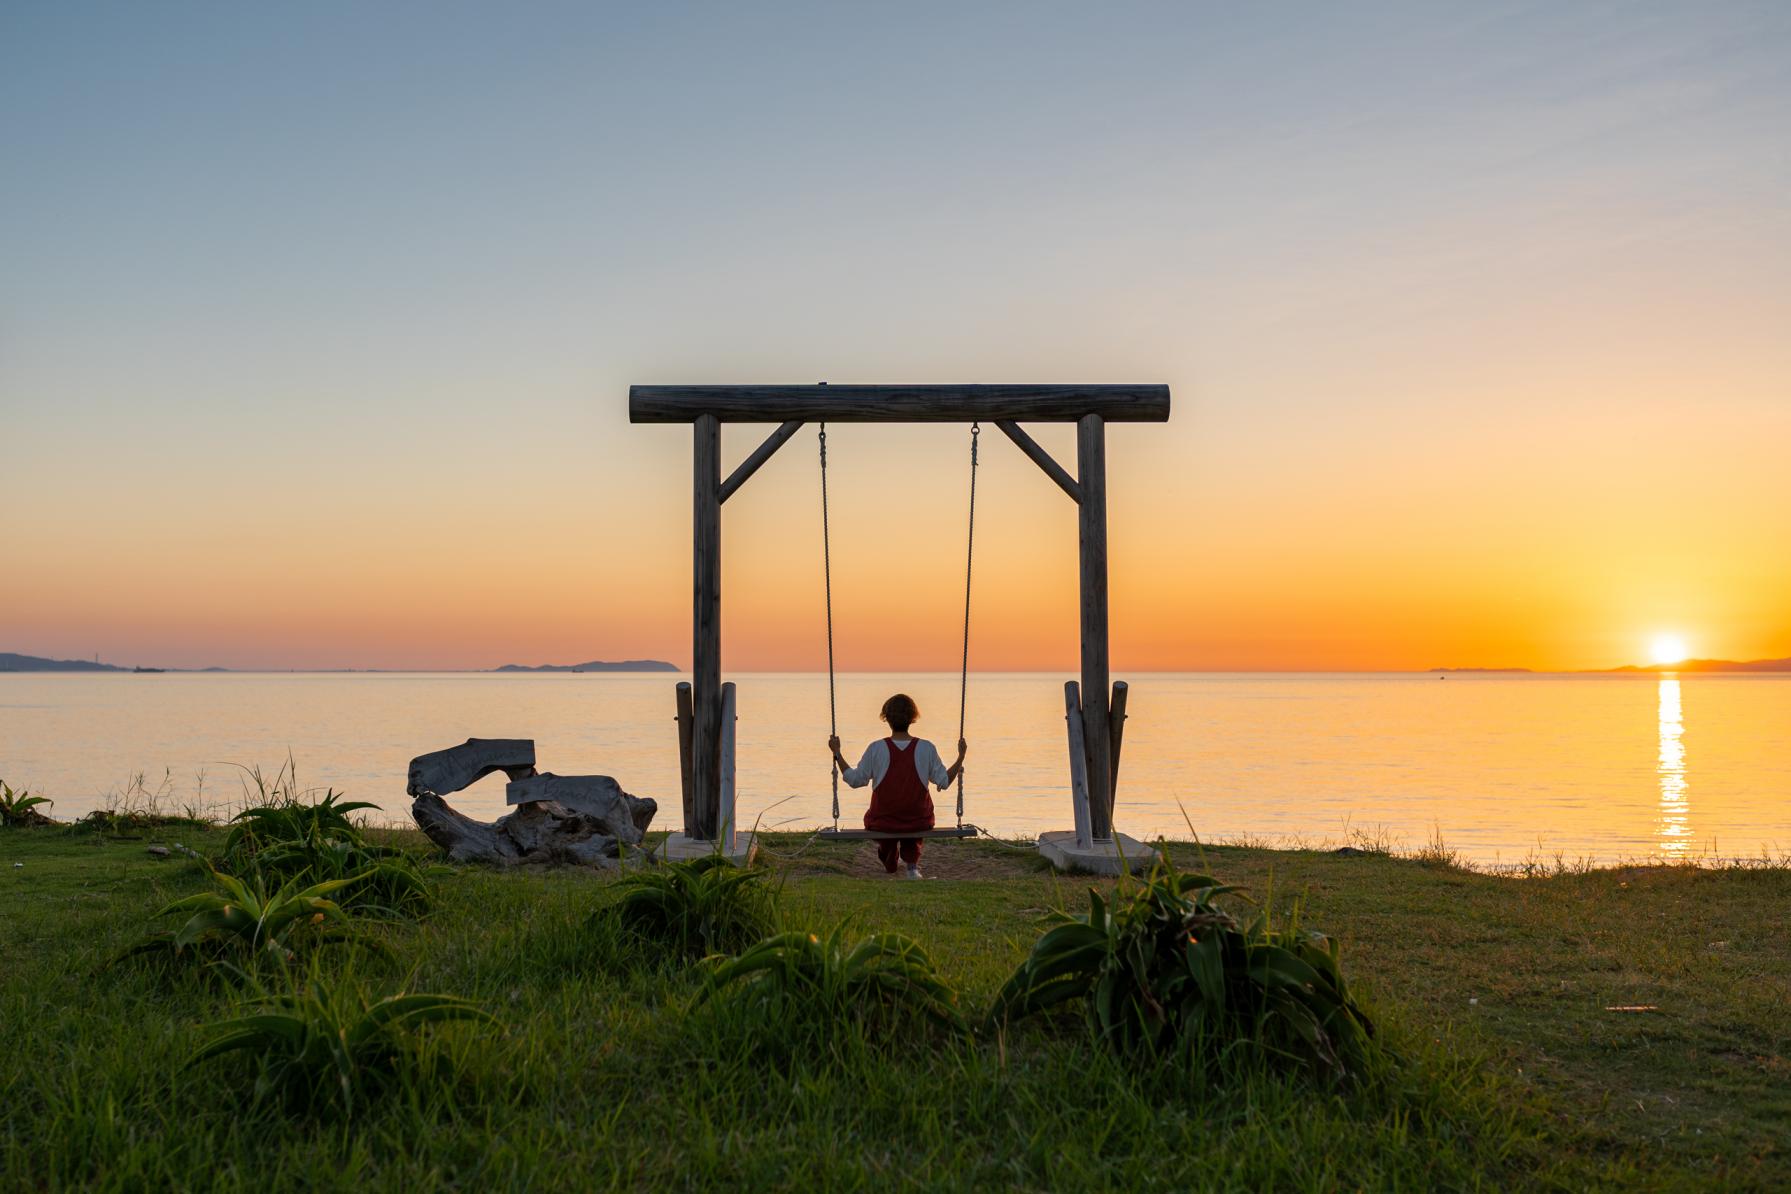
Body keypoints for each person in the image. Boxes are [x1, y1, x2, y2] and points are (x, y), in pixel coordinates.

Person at [828, 693, 967, 879]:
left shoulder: (876, 748)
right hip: (918, 820)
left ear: (886, 718)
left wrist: (837, 753)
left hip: (883, 820)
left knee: (887, 823)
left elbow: (855, 780)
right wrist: (960, 757)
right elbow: (944, 781)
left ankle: (889, 856)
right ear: (913, 718)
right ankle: (911, 865)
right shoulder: (926, 748)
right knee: (913, 814)